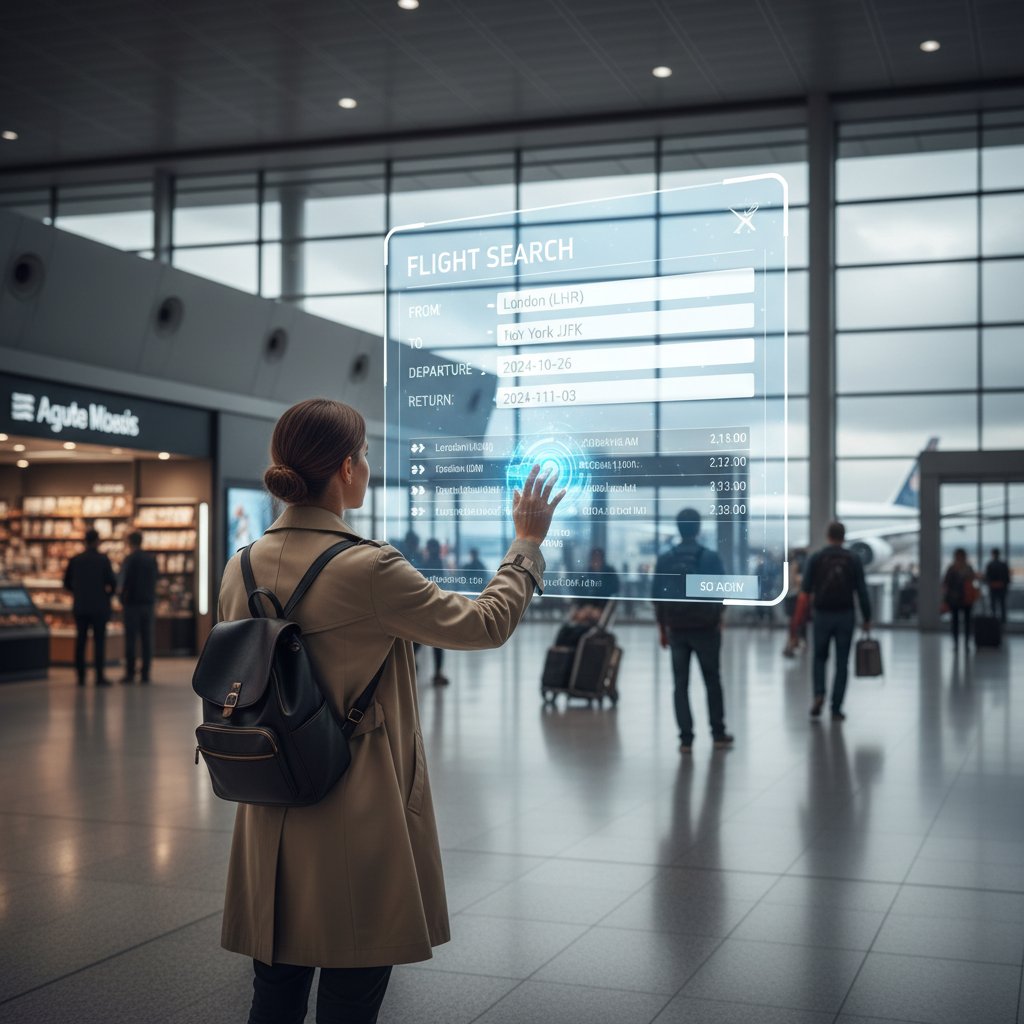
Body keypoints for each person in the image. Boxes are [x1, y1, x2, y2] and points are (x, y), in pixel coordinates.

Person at [216, 398, 563, 1024]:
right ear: (346, 468)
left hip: (269, 801)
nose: (369, 467)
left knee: (274, 988)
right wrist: (526, 544)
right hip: (354, 806)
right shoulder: (367, 567)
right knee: (352, 989)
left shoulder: (239, 567)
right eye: (367, 456)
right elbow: (485, 624)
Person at [652, 508, 734, 754]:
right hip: (706, 628)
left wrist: (662, 628)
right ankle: (718, 733)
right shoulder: (709, 557)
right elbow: (720, 590)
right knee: (712, 680)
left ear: (678, 528)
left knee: (680, 684)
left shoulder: (665, 559)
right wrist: (719, 617)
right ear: (698, 528)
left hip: (677, 627)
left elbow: (657, 596)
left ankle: (686, 739)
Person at [801, 521, 871, 721]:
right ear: (843, 537)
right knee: (842, 662)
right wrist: (867, 617)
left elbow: (805, 590)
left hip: (822, 615)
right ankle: (836, 707)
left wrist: (801, 619)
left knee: (819, 658)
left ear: (828, 536)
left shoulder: (816, 558)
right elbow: (862, 590)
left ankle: (819, 694)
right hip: (845, 615)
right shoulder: (853, 559)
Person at [63, 528, 117, 687]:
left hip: (81, 607)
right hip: (99, 607)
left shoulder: (75, 560)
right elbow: (112, 583)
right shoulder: (103, 560)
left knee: (81, 640)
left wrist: (78, 593)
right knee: (99, 642)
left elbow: (66, 583)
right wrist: (106, 596)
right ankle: (99, 675)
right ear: (97, 541)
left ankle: (80, 675)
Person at [119, 531, 158, 684]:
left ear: (130, 542)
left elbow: (123, 582)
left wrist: (122, 599)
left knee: (131, 639)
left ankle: (130, 672)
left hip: (132, 604)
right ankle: (145, 673)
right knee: (147, 640)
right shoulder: (151, 559)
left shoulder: (129, 559)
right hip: (148, 604)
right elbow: (156, 579)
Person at [418, 538, 450, 686]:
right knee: (429, 642)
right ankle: (437, 673)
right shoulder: (433, 562)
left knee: (419, 640)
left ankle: (436, 672)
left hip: (428, 607)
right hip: (432, 607)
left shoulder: (429, 562)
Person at [943, 547, 979, 652]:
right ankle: (957, 643)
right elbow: (946, 583)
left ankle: (965, 643)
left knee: (965, 622)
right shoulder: (962, 568)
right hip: (958, 599)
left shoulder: (955, 568)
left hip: (964, 598)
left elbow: (946, 583)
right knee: (956, 622)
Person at [984, 547, 1011, 623]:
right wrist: (1002, 584)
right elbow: (1007, 578)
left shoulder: (990, 565)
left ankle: (993, 621)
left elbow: (987, 578)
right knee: (1002, 605)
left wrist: (992, 584)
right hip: (1002, 588)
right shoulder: (1003, 565)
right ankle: (1003, 621)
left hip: (993, 588)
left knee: (993, 606)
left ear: (992, 554)